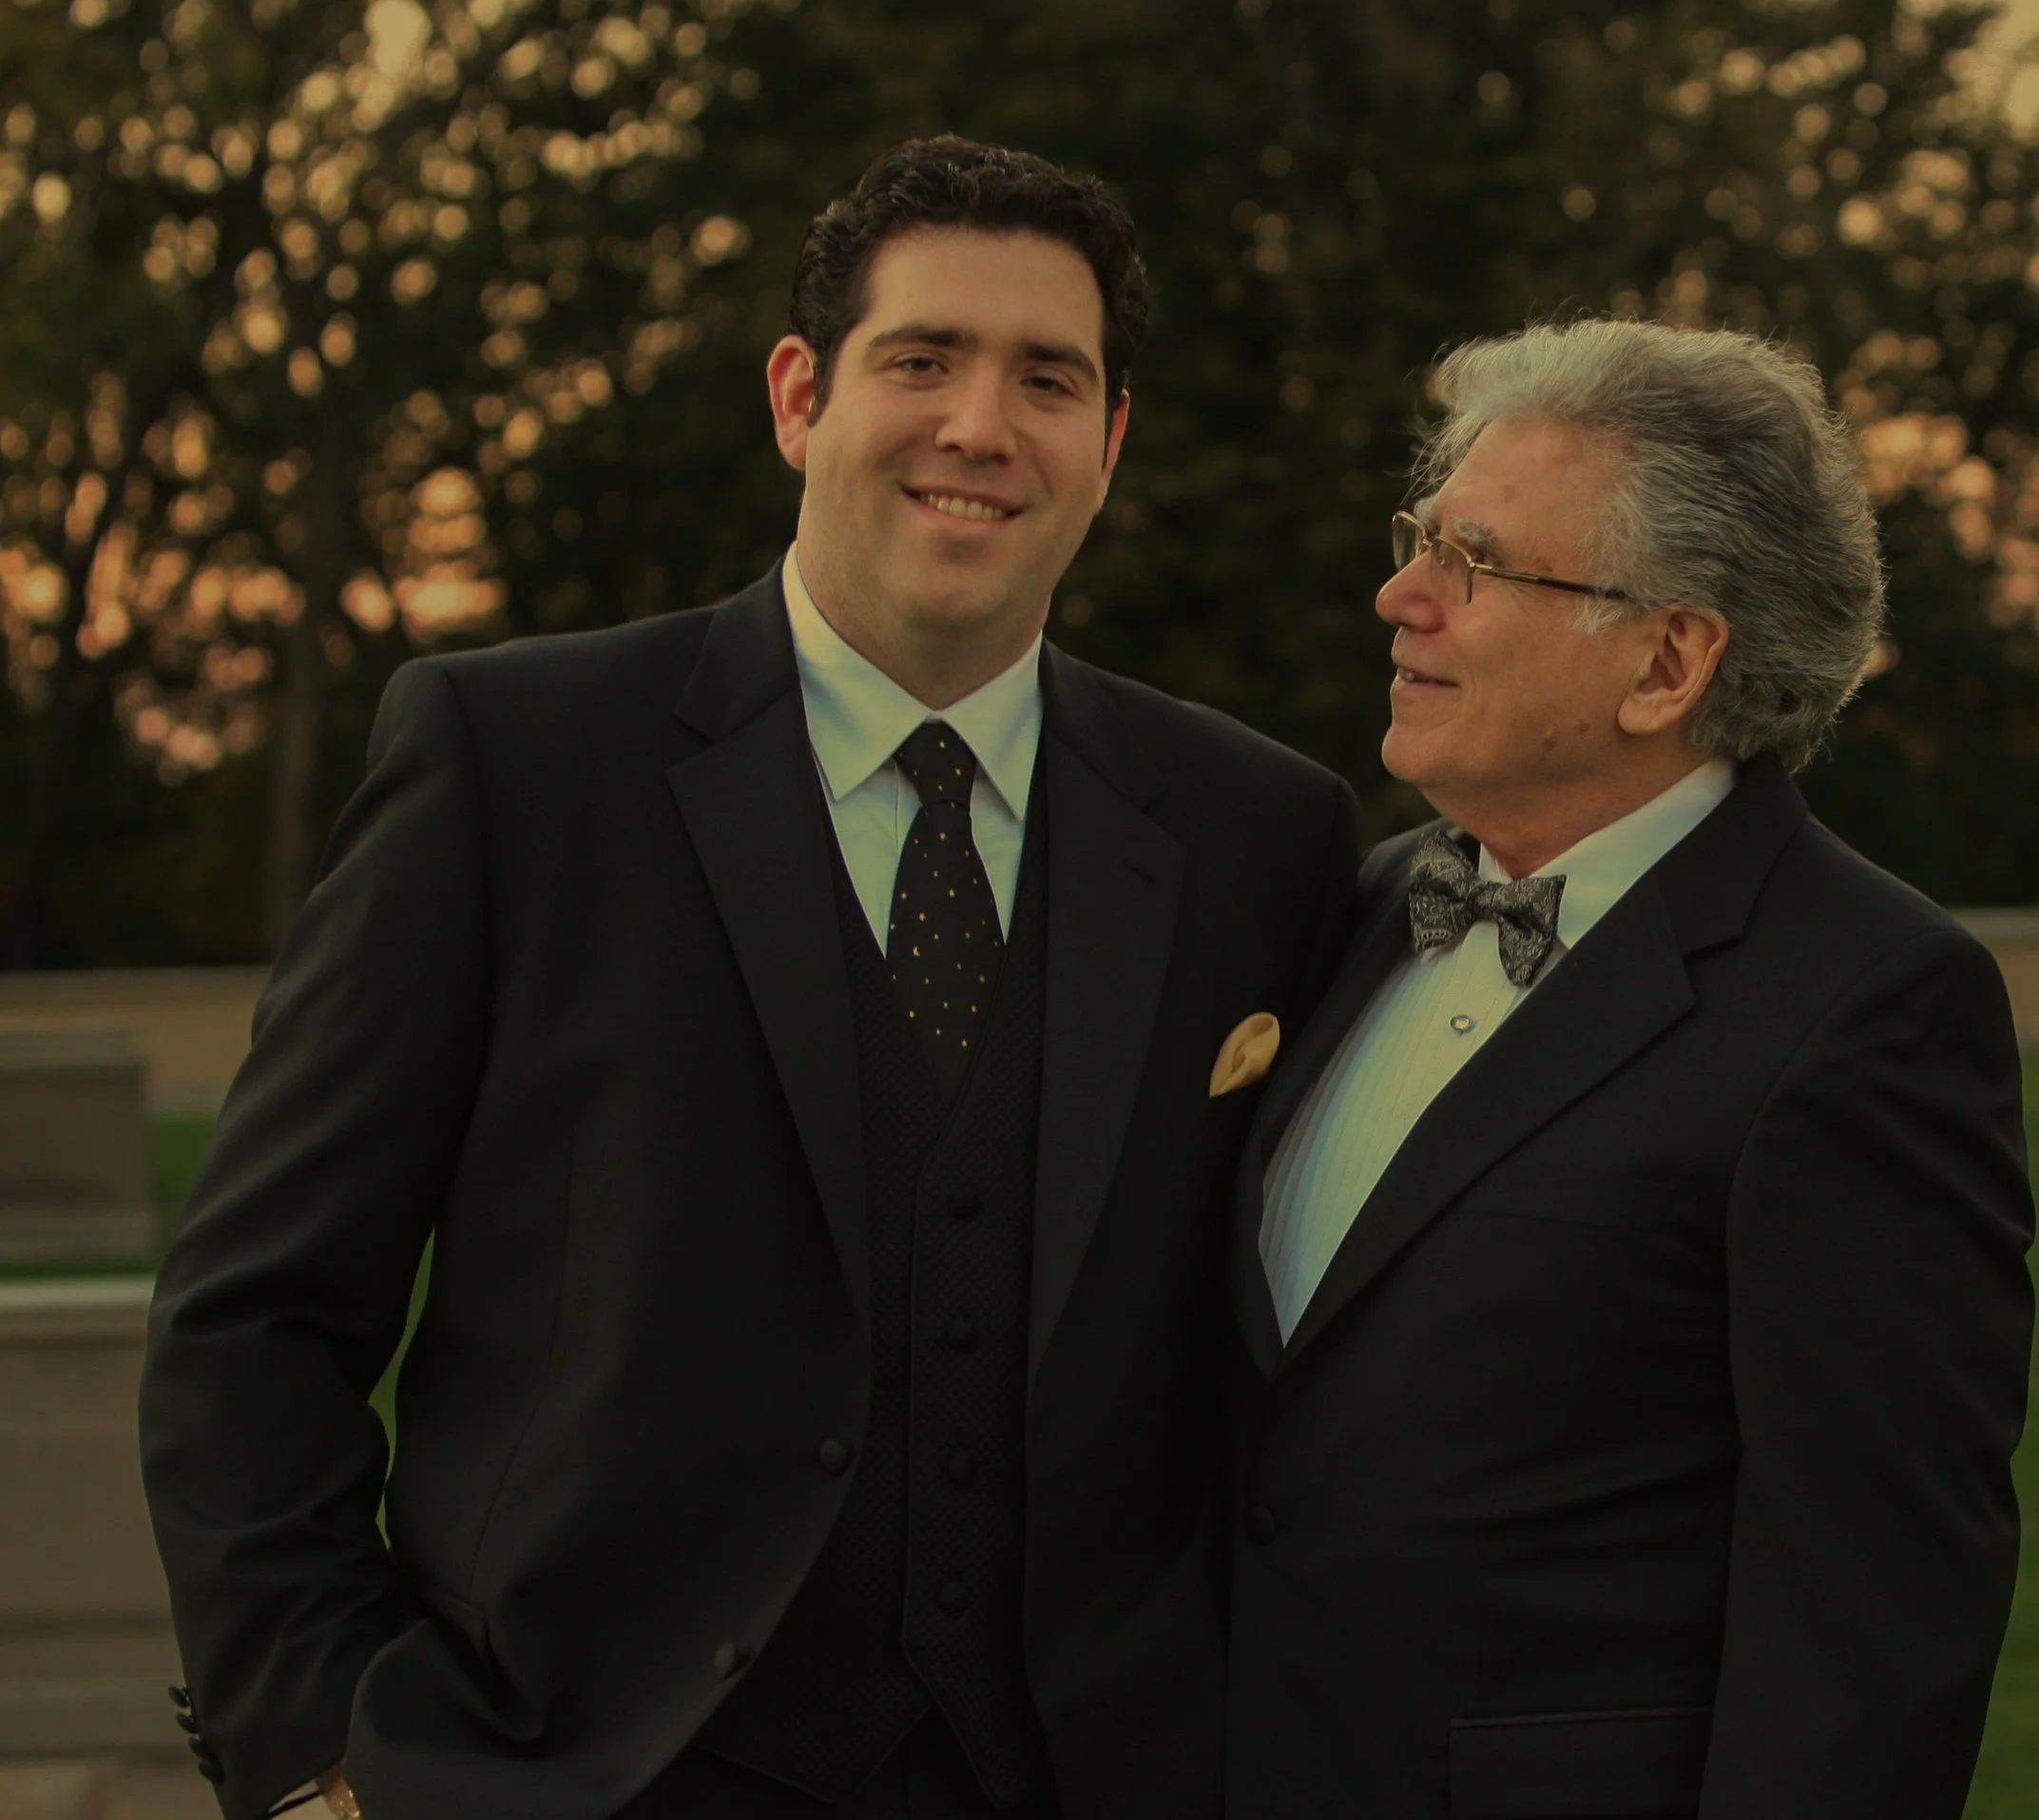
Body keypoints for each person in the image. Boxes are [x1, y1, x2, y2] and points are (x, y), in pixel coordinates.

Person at [141, 136, 1357, 1820]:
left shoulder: (1261, 834)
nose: (980, 427)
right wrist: (314, 1763)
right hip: (578, 1775)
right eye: (920, 359)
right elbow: (258, 1316)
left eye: (1048, 380)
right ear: (799, 396)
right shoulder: (513, 764)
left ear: (1111, 442)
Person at [1225, 319, 2034, 1819]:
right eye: (1420, 539)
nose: (1400, 596)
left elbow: (1873, 1627)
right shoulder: (1351, 904)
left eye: (1477, 562)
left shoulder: (1868, 1008)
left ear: (1668, 661)